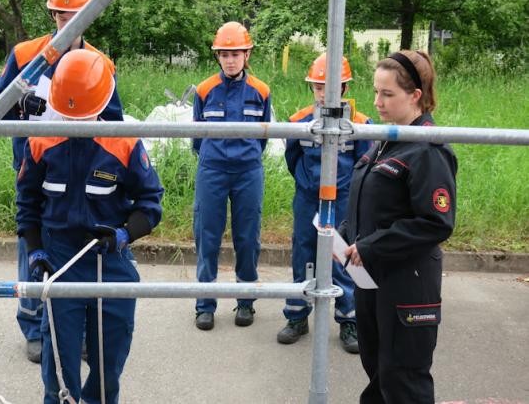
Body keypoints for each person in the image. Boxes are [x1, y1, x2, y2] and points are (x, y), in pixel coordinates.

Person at [16, 49, 163, 403]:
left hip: (108, 258)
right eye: (69, 117)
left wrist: (124, 234)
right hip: (60, 259)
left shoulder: (124, 143)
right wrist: (35, 250)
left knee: (110, 356)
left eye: (82, 116)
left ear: (102, 103)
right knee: (58, 360)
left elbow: (150, 203)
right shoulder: (40, 143)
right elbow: (27, 204)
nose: (76, 124)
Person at [0, 0, 124, 363]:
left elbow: (113, 120)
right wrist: (21, 102)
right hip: (35, 167)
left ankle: (72, 328)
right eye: (61, 16)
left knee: (77, 248)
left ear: (89, 16)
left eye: (75, 16)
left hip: (82, 172)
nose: (67, 23)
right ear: (52, 14)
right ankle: (34, 326)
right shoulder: (25, 54)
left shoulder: (100, 63)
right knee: (33, 243)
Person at [340, 50, 457, 403]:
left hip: (407, 284)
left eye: (387, 94)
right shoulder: (386, 140)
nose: (377, 102)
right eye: (376, 92)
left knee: (403, 381)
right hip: (371, 278)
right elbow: (376, 206)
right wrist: (344, 236)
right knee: (379, 374)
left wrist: (370, 246)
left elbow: (435, 222)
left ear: (415, 96)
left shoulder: (427, 149)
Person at [277, 53, 372, 352]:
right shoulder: (299, 121)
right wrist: (307, 184)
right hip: (308, 198)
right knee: (303, 254)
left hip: (343, 200)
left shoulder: (360, 123)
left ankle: (349, 319)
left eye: (328, 88)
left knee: (344, 256)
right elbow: (292, 158)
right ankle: (297, 316)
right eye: (318, 87)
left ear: (344, 88)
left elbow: (364, 164)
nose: (322, 94)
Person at [192, 21, 271, 330]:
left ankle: (246, 301)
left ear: (247, 54)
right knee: (207, 236)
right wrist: (213, 158)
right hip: (212, 170)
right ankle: (204, 305)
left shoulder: (261, 91)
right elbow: (197, 137)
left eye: (235, 54)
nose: (229, 60)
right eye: (224, 54)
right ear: (217, 56)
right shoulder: (204, 90)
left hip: (248, 171)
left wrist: (246, 157)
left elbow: (263, 138)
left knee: (248, 238)